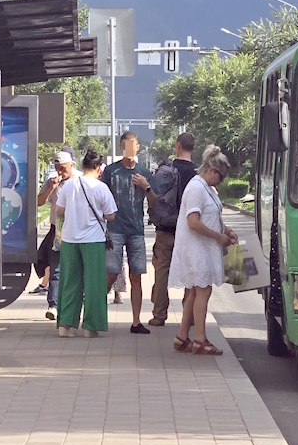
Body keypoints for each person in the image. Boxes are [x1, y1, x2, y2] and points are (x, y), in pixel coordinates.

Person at [170, 145, 237, 355]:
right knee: (203, 291)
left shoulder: (205, 187)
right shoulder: (197, 188)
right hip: (196, 248)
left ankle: (182, 336)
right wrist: (219, 237)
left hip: (202, 247)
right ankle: (200, 339)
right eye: (221, 176)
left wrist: (225, 230)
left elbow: (210, 216)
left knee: (194, 291)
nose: (221, 181)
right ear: (211, 170)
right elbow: (193, 222)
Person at [55, 150, 117, 337]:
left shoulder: (69, 185)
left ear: (82, 166)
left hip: (70, 239)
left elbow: (59, 210)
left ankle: (65, 325)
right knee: (94, 284)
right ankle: (91, 327)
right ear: (99, 168)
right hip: (93, 241)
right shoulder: (101, 188)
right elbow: (111, 215)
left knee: (69, 281)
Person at [102, 132, 158, 334]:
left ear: (138, 148)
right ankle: (98, 313)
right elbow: (101, 197)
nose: (130, 149)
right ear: (121, 147)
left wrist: (147, 186)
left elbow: (155, 201)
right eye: (126, 145)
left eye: (133, 146)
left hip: (136, 230)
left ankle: (136, 321)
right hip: (115, 228)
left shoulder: (144, 172)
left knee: (137, 275)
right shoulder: (111, 171)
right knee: (111, 272)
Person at [149, 132, 197, 327]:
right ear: (192, 148)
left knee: (162, 271)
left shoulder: (167, 171)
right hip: (191, 231)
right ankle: (189, 314)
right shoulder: (198, 174)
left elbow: (155, 198)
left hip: (166, 229)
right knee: (191, 273)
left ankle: (159, 315)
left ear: (177, 145)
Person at [36, 147, 81, 321]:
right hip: (57, 231)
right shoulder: (51, 181)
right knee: (55, 268)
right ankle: (53, 305)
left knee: (74, 268)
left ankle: (74, 303)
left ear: (71, 165)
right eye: (57, 167)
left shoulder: (79, 180)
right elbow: (40, 202)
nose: (60, 171)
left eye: (63, 167)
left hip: (76, 229)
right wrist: (50, 188)